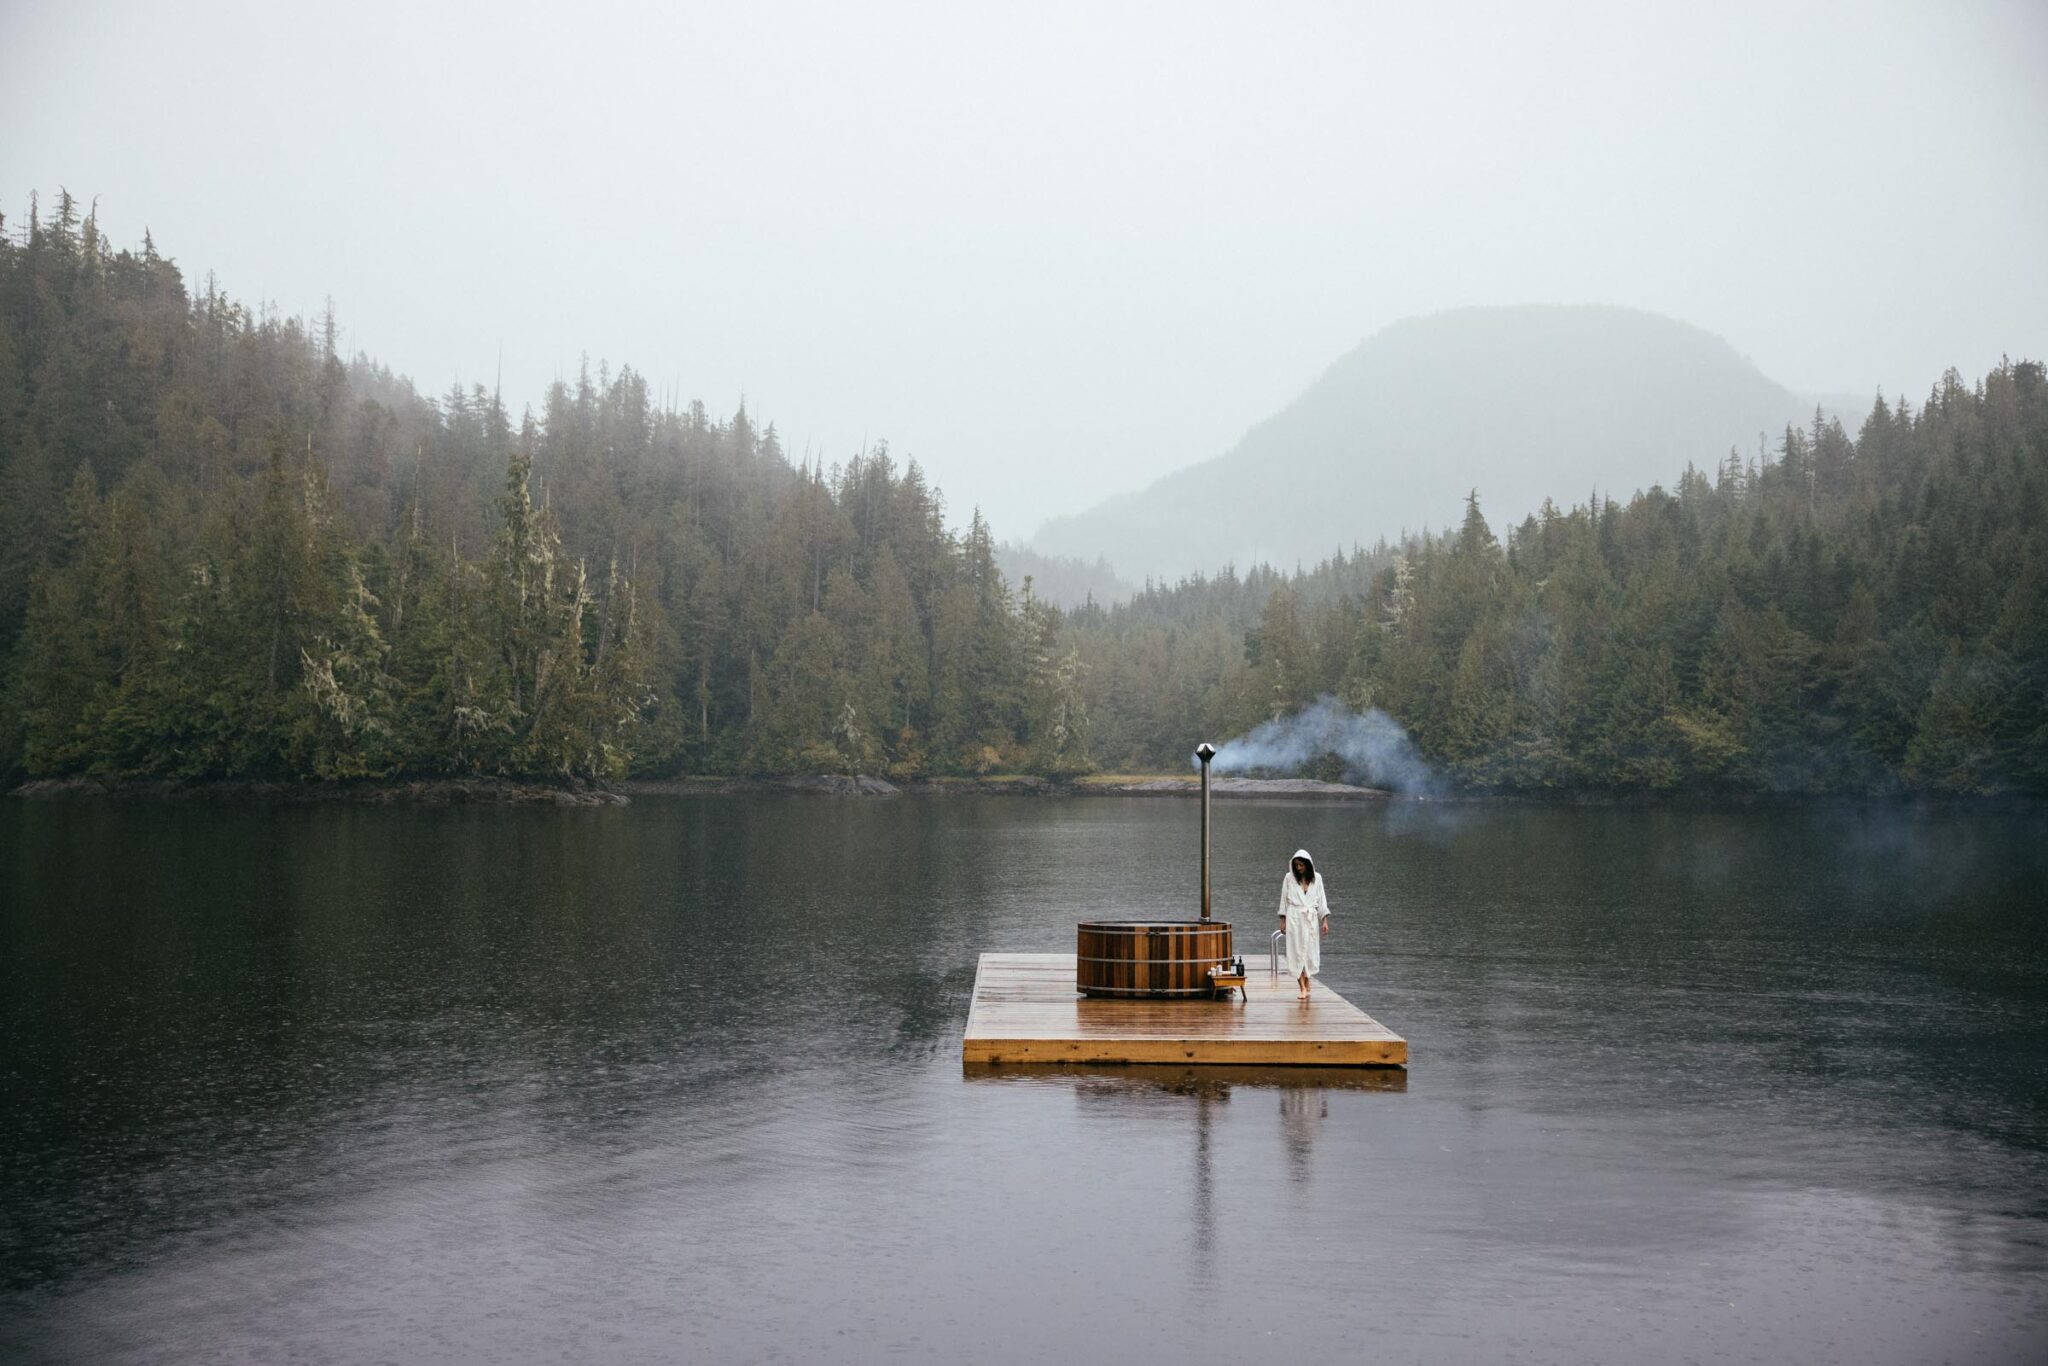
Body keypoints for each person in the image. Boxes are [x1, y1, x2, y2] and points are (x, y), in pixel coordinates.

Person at [1277, 848, 1332, 1000]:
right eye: (1296, 865)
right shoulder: (1289, 878)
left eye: (1301, 865)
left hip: (1311, 920)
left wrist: (1324, 920)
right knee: (1295, 952)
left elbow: (1322, 901)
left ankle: (1307, 981)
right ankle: (1301, 987)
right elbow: (1283, 900)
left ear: (1308, 865)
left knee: (1309, 953)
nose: (1298, 868)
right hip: (1294, 918)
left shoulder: (1317, 879)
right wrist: (1283, 920)